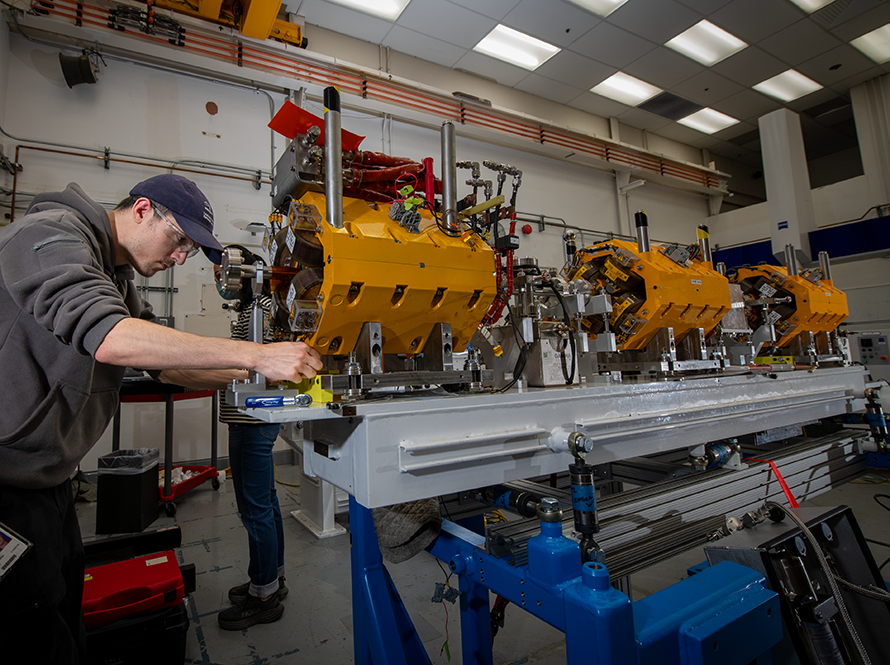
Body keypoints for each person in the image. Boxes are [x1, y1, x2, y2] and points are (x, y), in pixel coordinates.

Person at [0, 174, 322, 664]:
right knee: (30, 628)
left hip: (49, 478)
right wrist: (257, 355)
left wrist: (250, 374)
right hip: (6, 481)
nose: (179, 258)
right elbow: (110, 335)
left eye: (189, 250)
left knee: (64, 610)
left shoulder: (117, 278)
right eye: (180, 242)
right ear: (143, 209)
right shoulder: (51, 234)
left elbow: (163, 362)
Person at [214, 248, 288, 630]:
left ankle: (265, 596)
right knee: (267, 503)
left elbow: (261, 365)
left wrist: (207, 364)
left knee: (253, 508)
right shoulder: (257, 307)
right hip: (250, 417)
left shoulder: (259, 309)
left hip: (250, 419)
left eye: (226, 272)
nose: (221, 280)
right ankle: (272, 578)